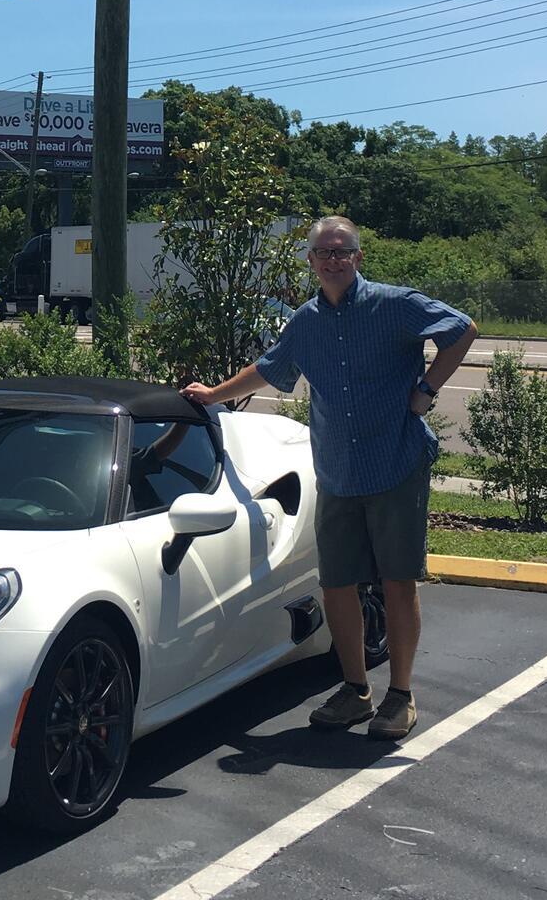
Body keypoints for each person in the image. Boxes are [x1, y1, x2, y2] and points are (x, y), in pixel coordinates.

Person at [182, 215, 477, 740]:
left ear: (358, 257)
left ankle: (400, 696)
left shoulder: (394, 305)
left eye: (342, 251)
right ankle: (355, 691)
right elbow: (269, 369)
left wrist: (426, 390)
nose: (333, 259)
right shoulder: (306, 321)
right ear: (311, 261)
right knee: (337, 584)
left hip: (395, 463)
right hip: (337, 471)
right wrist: (212, 395)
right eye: (324, 252)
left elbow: (461, 330)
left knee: (396, 581)